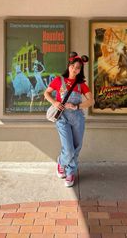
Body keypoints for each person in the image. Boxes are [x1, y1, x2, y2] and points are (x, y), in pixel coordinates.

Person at [44, 52, 94, 187]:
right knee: (69, 149)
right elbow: (46, 93)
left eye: (78, 68)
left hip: (77, 118)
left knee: (76, 147)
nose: (75, 69)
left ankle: (70, 172)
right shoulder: (58, 80)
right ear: (69, 66)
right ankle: (61, 162)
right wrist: (55, 102)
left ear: (80, 70)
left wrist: (77, 106)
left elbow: (91, 101)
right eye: (73, 66)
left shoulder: (81, 84)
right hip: (62, 118)